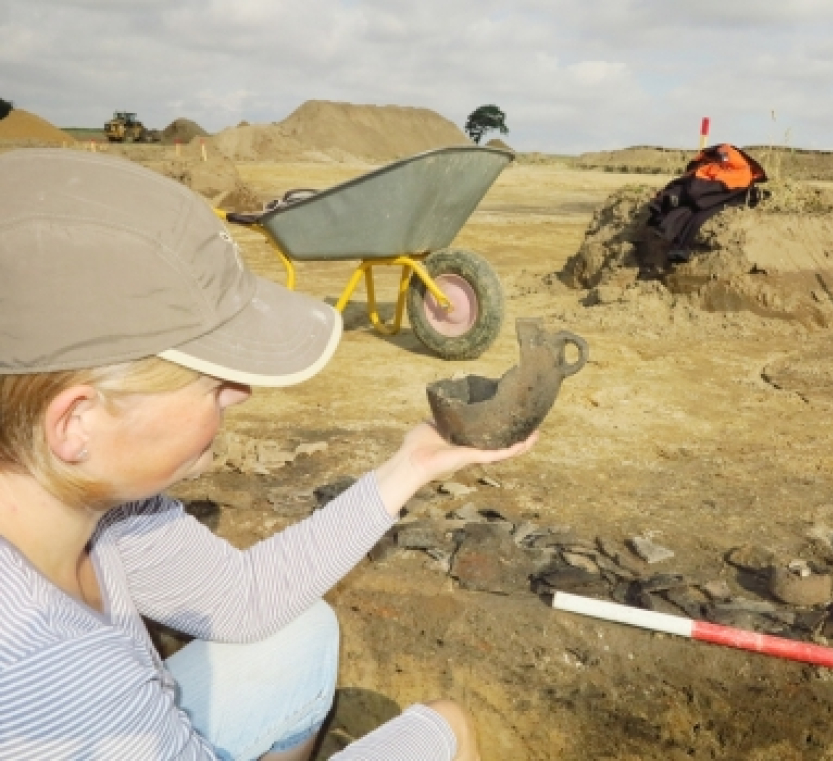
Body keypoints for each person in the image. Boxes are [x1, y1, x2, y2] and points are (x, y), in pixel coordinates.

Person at [0, 149, 536, 760]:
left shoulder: (95, 508)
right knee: (448, 729)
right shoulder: (49, 676)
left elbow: (242, 599)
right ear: (76, 421)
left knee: (301, 633)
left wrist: (411, 463)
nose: (242, 392)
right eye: (210, 379)